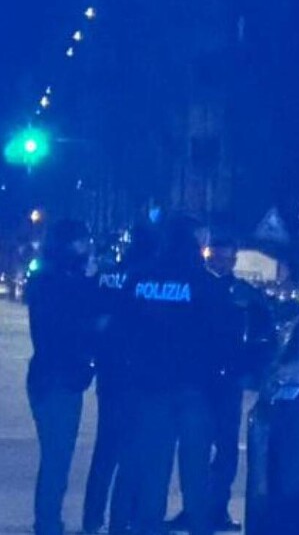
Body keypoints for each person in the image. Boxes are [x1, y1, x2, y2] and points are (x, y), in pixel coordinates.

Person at [119, 217, 239, 535]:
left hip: (150, 389)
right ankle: (199, 527)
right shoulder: (205, 284)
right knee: (196, 473)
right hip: (194, 390)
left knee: (153, 471)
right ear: (194, 243)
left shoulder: (139, 280)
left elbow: (122, 331)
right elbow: (223, 339)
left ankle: (148, 528)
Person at [166, 235, 273, 532]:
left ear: (234, 260)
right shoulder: (195, 289)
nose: (220, 264)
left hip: (228, 382)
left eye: (225, 259)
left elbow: (264, 336)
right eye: (215, 259)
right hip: (198, 382)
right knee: (195, 450)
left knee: (226, 450)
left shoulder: (245, 295)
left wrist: (250, 370)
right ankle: (194, 509)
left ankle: (217, 509)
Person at [82, 223, 159, 535]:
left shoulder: (109, 275)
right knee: (133, 452)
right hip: (138, 375)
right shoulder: (147, 280)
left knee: (105, 450)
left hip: (109, 373)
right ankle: (121, 521)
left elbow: (94, 317)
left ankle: (91, 520)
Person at [25, 219, 101, 535]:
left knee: (55, 456)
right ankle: (47, 523)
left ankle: (48, 520)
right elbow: (76, 322)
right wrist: (89, 282)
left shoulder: (46, 278)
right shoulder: (62, 282)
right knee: (57, 457)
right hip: (59, 377)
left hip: (48, 375)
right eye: (82, 241)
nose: (87, 247)